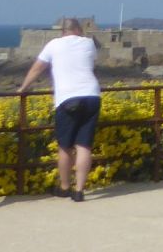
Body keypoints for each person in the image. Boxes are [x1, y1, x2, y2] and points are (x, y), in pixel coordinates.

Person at [17, 18, 101, 202]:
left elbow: (37, 68)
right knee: (84, 145)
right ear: (78, 29)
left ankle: (64, 187)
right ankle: (79, 190)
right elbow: (91, 65)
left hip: (68, 97)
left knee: (65, 146)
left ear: (63, 31)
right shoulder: (88, 43)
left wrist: (24, 88)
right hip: (92, 96)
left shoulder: (53, 44)